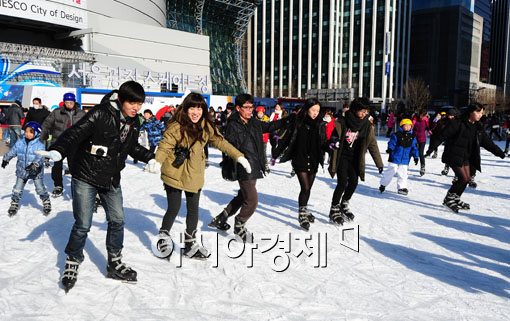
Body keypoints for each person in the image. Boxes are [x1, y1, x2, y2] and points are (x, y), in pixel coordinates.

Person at [39, 81, 157, 292]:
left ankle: (114, 261)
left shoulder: (134, 121)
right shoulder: (100, 113)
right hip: (86, 175)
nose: (136, 108)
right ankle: (73, 260)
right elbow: (75, 132)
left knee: (118, 220)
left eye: (139, 103)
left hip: (111, 178)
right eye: (132, 102)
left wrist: (151, 157)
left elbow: (131, 147)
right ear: (121, 99)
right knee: (83, 223)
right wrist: (59, 149)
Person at [153, 93, 250, 260]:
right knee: (174, 208)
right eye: (192, 107)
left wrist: (238, 156)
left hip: (194, 172)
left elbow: (220, 142)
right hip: (174, 171)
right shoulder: (176, 126)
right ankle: (163, 236)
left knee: (193, 210)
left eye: (199, 108)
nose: (195, 112)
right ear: (185, 109)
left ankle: (190, 244)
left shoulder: (206, 126)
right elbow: (165, 144)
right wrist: (157, 160)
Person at [208, 93, 293, 241]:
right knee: (252, 200)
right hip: (242, 165)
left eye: (251, 107)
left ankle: (222, 218)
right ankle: (240, 224)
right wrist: (240, 159)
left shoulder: (253, 122)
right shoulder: (232, 125)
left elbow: (269, 126)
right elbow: (230, 146)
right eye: (246, 107)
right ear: (238, 108)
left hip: (254, 164)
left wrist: (286, 121)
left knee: (243, 195)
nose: (250, 110)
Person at [425, 103, 506, 212]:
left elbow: (488, 143)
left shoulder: (478, 127)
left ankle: (456, 198)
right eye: (478, 112)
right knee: (462, 178)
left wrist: (500, 153)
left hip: (466, 156)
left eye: (482, 113)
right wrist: (431, 149)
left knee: (467, 179)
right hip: (453, 154)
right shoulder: (457, 123)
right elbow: (442, 136)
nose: (480, 115)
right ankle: (448, 199)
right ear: (470, 112)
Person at [271, 98, 326, 230]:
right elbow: (286, 139)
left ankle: (305, 209)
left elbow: (323, 143)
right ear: (307, 109)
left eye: (317, 111)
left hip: (313, 160)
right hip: (299, 158)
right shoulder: (297, 122)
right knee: (305, 187)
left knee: (308, 189)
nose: (315, 113)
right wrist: (275, 154)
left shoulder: (320, 124)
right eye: (313, 110)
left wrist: (331, 145)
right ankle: (302, 213)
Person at [327, 97, 384, 224]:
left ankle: (344, 203)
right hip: (342, 157)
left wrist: (379, 163)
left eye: (366, 111)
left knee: (353, 182)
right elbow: (332, 136)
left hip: (355, 158)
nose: (364, 113)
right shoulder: (342, 121)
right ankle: (334, 208)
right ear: (354, 109)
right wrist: (332, 142)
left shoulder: (367, 125)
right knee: (342, 183)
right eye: (362, 111)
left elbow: (372, 144)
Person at [41, 92, 86, 197]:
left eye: (71, 102)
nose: (69, 104)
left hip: (74, 144)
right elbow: (46, 125)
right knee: (57, 164)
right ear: (64, 102)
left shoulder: (81, 113)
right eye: (66, 102)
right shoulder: (57, 112)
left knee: (74, 165)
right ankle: (58, 185)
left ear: (74, 102)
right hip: (59, 143)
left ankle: (76, 186)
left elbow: (87, 127)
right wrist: (42, 137)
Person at [2, 121, 50, 216]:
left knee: (40, 188)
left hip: (35, 172)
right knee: (17, 189)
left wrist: (35, 164)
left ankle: (46, 201)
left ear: (36, 133)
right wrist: (6, 159)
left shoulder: (39, 145)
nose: (28, 134)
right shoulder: (20, 142)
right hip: (22, 171)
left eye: (31, 132)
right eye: (26, 131)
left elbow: (40, 157)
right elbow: (13, 151)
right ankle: (14, 203)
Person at [379, 119, 419, 196]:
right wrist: (390, 149)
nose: (407, 127)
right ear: (401, 126)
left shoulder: (412, 137)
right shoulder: (396, 135)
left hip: (405, 159)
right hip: (394, 157)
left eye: (409, 126)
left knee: (403, 173)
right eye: (405, 125)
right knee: (391, 171)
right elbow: (391, 143)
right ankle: (383, 184)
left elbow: (414, 147)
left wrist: (416, 156)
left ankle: (402, 187)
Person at [412, 110, 429, 176]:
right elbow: (411, 127)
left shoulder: (426, 120)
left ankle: (422, 167)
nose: (422, 117)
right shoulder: (414, 119)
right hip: (414, 138)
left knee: (420, 153)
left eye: (423, 116)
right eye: (421, 116)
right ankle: (404, 165)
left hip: (422, 139)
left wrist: (429, 129)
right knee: (412, 151)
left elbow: (429, 127)